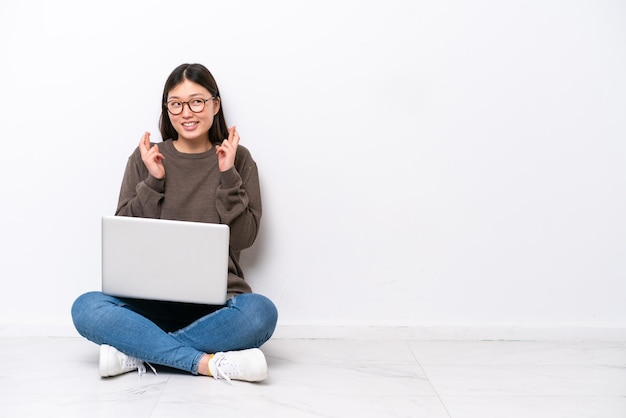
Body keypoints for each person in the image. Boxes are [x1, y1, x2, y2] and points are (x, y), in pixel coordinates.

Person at [71, 63, 278, 382]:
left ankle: (136, 351)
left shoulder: (238, 159)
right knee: (86, 308)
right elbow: (125, 235)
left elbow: (244, 238)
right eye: (176, 104)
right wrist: (153, 182)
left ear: (215, 105)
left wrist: (227, 175)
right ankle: (205, 363)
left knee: (261, 314)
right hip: (148, 304)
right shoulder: (147, 157)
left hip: (218, 305)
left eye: (197, 101)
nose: (187, 112)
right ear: (166, 109)